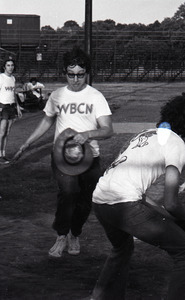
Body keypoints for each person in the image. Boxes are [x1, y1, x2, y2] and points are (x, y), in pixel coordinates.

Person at [90, 94, 185, 300]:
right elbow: (171, 202)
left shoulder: (147, 134)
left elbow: (138, 194)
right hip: (123, 205)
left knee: (121, 248)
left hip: (100, 201)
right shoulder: (176, 144)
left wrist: (169, 219)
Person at [12, 47, 113, 258]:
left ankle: (74, 233)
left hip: (89, 156)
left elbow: (107, 130)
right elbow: (47, 120)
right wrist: (28, 143)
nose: (75, 79)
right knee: (68, 193)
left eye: (80, 74)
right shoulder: (57, 96)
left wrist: (88, 134)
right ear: (65, 73)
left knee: (86, 200)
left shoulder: (96, 97)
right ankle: (61, 235)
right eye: (71, 74)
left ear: (87, 73)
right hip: (62, 157)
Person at [0, 57, 22, 163]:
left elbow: (13, 93)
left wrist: (17, 107)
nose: (10, 67)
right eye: (8, 65)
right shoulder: (1, 77)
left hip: (11, 107)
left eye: (12, 65)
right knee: (2, 131)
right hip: (2, 107)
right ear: (4, 67)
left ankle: (3, 154)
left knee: (7, 132)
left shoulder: (13, 78)